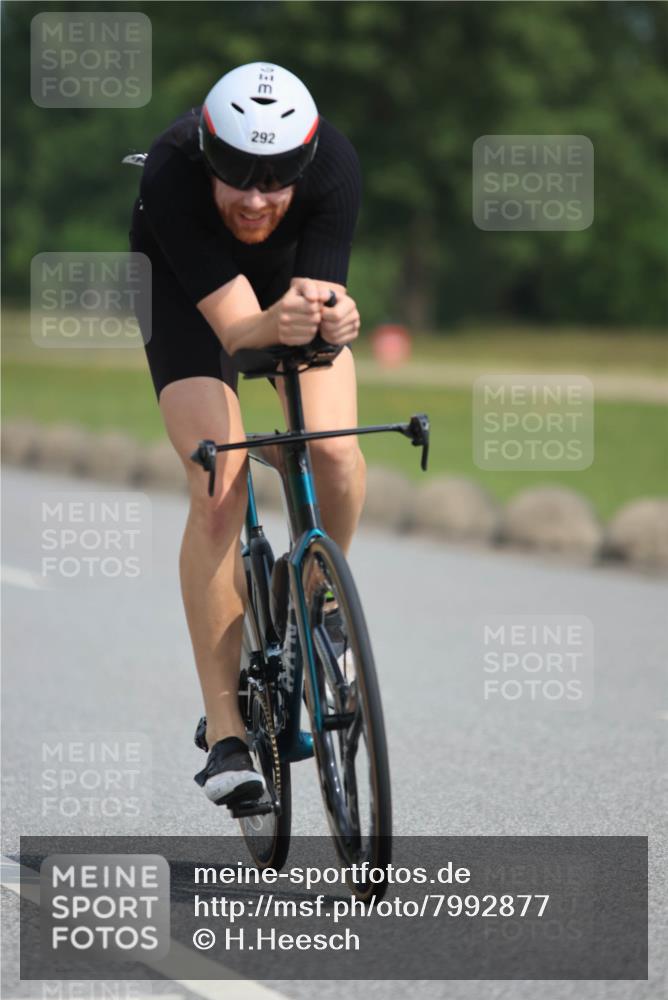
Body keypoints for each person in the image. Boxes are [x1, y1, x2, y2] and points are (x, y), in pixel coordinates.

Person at [128, 62, 364, 806]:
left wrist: (337, 316)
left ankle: (321, 604)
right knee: (220, 484)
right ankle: (227, 734)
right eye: (238, 179)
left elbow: (317, 299)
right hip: (187, 294)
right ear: (207, 151)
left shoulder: (335, 166)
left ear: (306, 160)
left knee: (333, 450)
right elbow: (237, 332)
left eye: (276, 182)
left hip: (282, 288)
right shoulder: (171, 172)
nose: (257, 201)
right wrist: (295, 318)